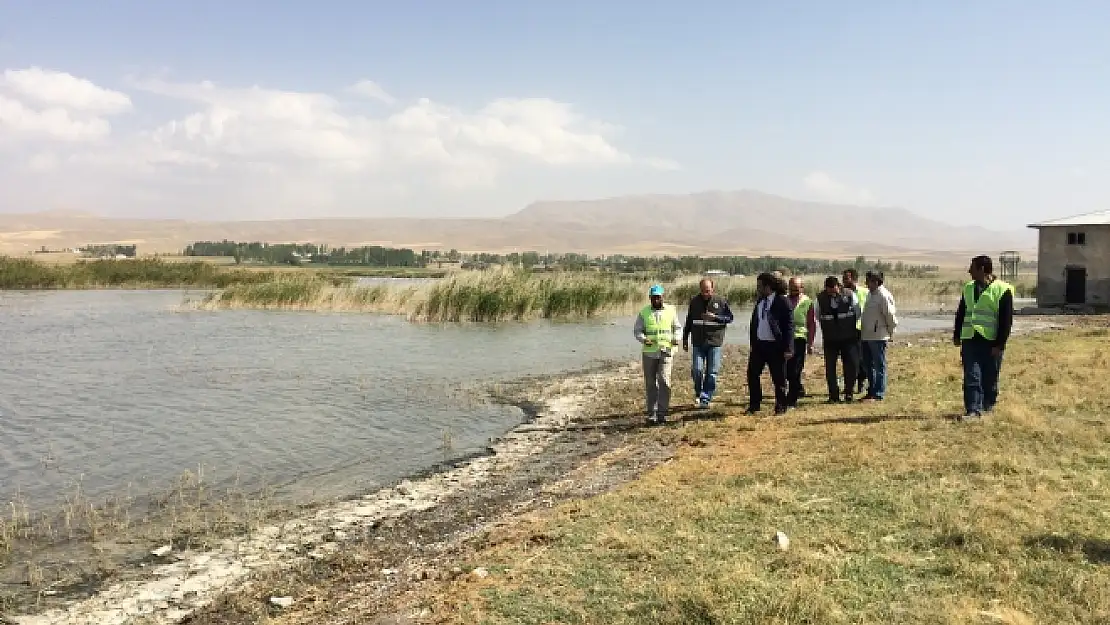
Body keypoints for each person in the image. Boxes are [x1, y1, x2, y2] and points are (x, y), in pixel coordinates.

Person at [953, 255, 1015, 421]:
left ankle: (987, 405)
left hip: (991, 340)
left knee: (990, 375)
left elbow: (1006, 320)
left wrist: (1000, 344)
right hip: (970, 338)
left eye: (972, 268)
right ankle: (973, 410)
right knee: (972, 374)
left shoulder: (1003, 290)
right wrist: (957, 334)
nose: (969, 271)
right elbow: (961, 313)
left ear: (981, 269)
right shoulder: (968, 288)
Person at [634, 284, 683, 425]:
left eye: (658, 297)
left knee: (664, 380)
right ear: (650, 298)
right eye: (653, 298)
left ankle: (662, 412)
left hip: (666, 351)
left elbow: (677, 328)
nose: (656, 300)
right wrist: (644, 339)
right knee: (650, 383)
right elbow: (637, 331)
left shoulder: (671, 310)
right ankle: (651, 412)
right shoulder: (644, 312)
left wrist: (676, 338)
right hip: (649, 353)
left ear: (663, 297)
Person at [746, 273, 794, 416]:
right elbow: (756, 322)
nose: (758, 288)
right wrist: (753, 343)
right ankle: (755, 404)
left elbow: (789, 326)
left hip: (776, 346)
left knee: (778, 378)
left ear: (768, 286)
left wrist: (789, 347)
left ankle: (780, 406)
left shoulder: (782, 301)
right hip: (760, 345)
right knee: (752, 374)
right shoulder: (760, 301)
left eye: (760, 286)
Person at [682, 278, 735, 408]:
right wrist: (684, 338)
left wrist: (716, 318)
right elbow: (689, 321)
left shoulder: (720, 301)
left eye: (708, 291)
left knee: (712, 372)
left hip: (714, 342)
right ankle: (698, 392)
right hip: (698, 342)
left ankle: (705, 398)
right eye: (703, 291)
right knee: (697, 370)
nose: (705, 294)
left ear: (713, 289)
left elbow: (730, 318)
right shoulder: (694, 302)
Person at [814, 275, 861, 403]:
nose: (831, 291)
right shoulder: (820, 299)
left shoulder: (850, 295)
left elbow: (858, 312)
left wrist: (847, 326)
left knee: (851, 365)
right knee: (830, 367)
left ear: (838, 286)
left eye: (833, 288)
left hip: (849, 338)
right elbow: (817, 315)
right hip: (830, 339)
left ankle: (849, 392)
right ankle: (833, 395)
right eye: (828, 289)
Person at [859, 271, 898, 401]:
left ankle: (879, 393)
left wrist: (891, 332)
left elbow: (890, 316)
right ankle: (871, 391)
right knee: (868, 365)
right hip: (867, 335)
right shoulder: (870, 294)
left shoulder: (883, 295)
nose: (867, 284)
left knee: (879, 365)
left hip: (878, 336)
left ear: (876, 282)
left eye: (869, 281)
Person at [786, 277, 816, 407]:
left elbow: (811, 324)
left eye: (796, 288)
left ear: (802, 288)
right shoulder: (785, 300)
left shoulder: (808, 302)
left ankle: (792, 399)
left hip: (800, 339)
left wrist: (810, 343)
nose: (793, 291)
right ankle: (798, 388)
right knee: (787, 370)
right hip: (786, 339)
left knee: (796, 369)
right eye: (791, 288)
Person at [842, 268, 869, 395]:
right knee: (848, 359)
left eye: (846, 278)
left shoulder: (865, 292)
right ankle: (849, 385)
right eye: (843, 278)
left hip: (861, 330)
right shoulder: (841, 293)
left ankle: (861, 382)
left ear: (854, 279)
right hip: (846, 331)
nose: (844, 281)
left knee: (862, 359)